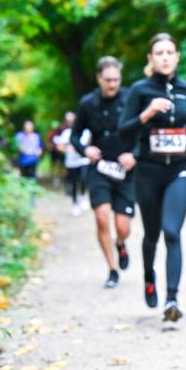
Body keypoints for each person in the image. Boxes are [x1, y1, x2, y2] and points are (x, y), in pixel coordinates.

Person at [118, 32, 186, 323]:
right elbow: (124, 130)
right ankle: (148, 276)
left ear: (177, 57)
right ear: (151, 59)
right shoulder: (140, 90)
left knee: (171, 231)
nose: (165, 57)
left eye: (170, 52)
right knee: (152, 234)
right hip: (148, 170)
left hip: (179, 168)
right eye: (159, 53)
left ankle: (172, 299)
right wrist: (147, 113)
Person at [72, 56, 137, 288]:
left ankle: (121, 244)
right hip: (99, 168)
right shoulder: (88, 104)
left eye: (116, 80)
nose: (112, 84)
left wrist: (135, 154)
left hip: (125, 170)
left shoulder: (130, 98)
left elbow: (143, 130)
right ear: (99, 78)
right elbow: (75, 135)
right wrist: (85, 148)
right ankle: (112, 270)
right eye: (108, 80)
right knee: (101, 217)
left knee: (123, 226)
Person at [53, 111, 91, 216]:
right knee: (74, 183)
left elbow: (90, 143)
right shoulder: (66, 133)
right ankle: (75, 204)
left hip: (83, 160)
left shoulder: (86, 132)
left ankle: (83, 196)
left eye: (72, 119)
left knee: (84, 179)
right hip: (71, 162)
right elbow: (59, 147)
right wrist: (68, 150)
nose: (70, 122)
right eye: (68, 120)